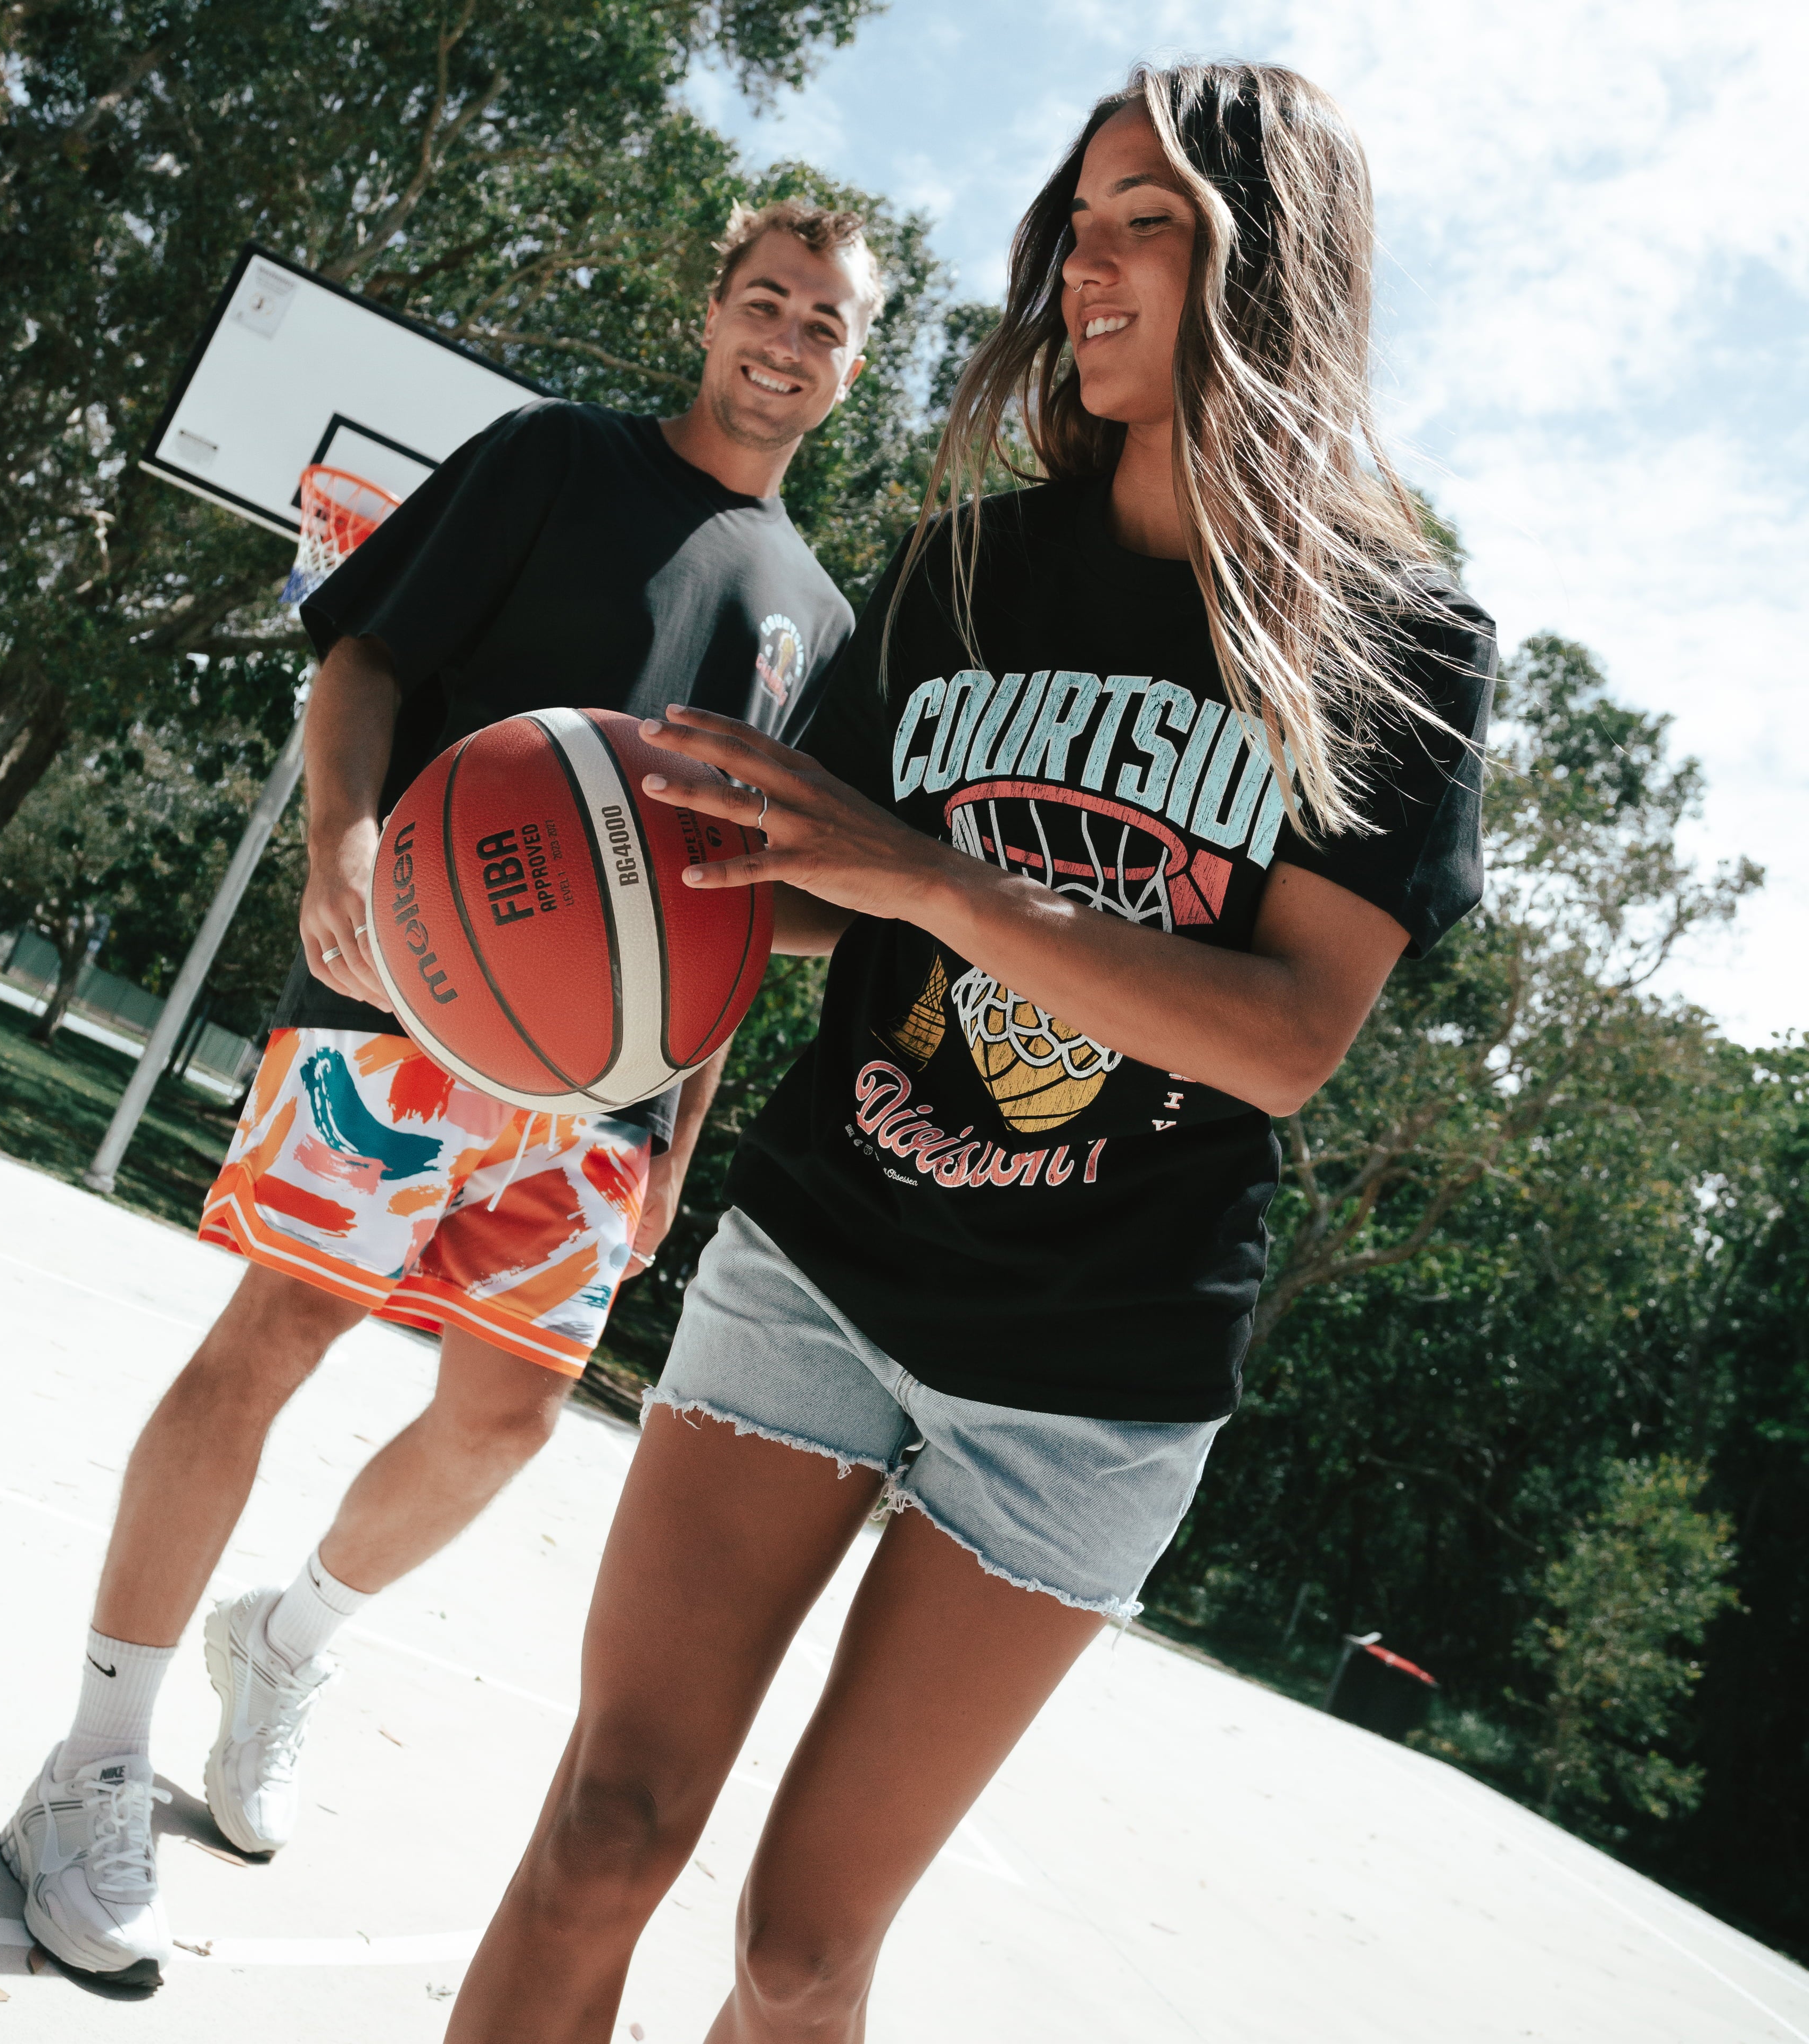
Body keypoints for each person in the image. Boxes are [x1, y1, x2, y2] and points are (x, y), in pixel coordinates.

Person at [443, 60, 1498, 2041]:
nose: (1081, 265)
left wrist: (931, 878)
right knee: (602, 1826)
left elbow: (1283, 1040)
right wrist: (627, 866)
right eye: (1076, 223)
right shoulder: (967, 568)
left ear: (1269, 266)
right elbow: (816, 880)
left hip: (1092, 1372)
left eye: (1142, 223)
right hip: (827, 1256)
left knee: (801, 1954)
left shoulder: (1399, 643)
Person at [0, 199, 886, 1984]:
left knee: (501, 1424)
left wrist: (676, 1151)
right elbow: (368, 657)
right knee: (274, 1342)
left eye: (828, 323)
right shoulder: (556, 460)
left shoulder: (822, 620)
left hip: (606, 1099)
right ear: (710, 308)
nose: (788, 337)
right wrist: (338, 840)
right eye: (766, 300)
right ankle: (92, 1758)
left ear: (854, 368)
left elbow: (717, 918)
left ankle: (293, 1633)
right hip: (405, 997)